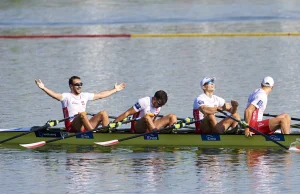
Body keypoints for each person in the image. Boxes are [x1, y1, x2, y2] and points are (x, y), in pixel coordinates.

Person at [35, 76, 125, 132]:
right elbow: (54, 95)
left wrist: (115, 89)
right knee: (82, 114)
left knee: (103, 113)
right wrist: (43, 88)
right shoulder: (66, 96)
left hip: (84, 124)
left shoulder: (84, 95)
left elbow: (101, 95)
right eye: (77, 84)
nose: (79, 86)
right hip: (72, 126)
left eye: (80, 84)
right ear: (71, 86)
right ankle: (93, 134)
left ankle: (106, 132)